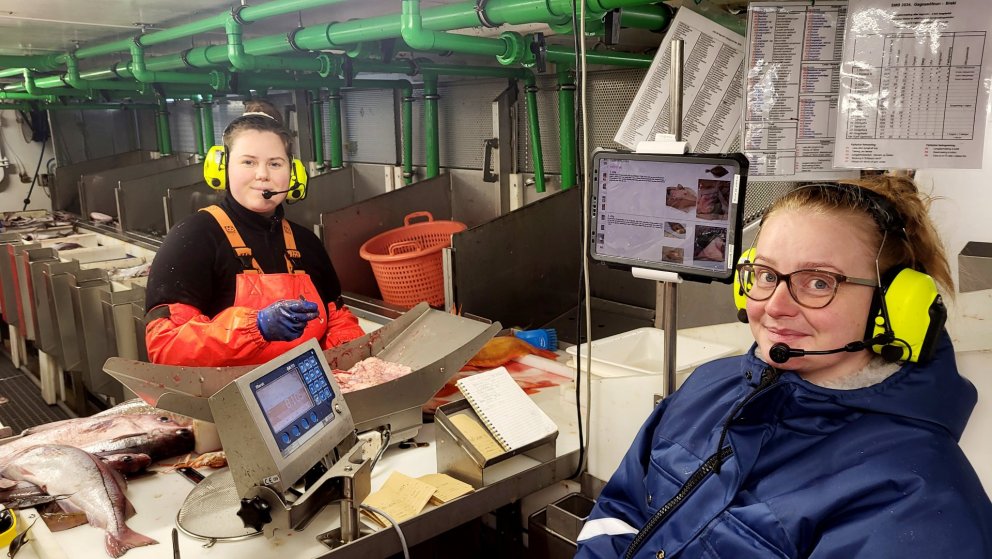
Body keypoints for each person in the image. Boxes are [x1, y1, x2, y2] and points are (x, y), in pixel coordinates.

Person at [575, 177, 992, 558]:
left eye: (819, 282)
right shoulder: (708, 385)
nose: (775, 306)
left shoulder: (918, 499)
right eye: (766, 274)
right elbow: (619, 512)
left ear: (895, 305)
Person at [144, 99, 364, 367]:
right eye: (248, 162)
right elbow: (166, 345)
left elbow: (337, 320)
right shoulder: (193, 238)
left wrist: (353, 365)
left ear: (294, 173)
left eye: (275, 164)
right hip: (225, 393)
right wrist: (255, 328)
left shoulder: (307, 243)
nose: (262, 175)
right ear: (223, 168)